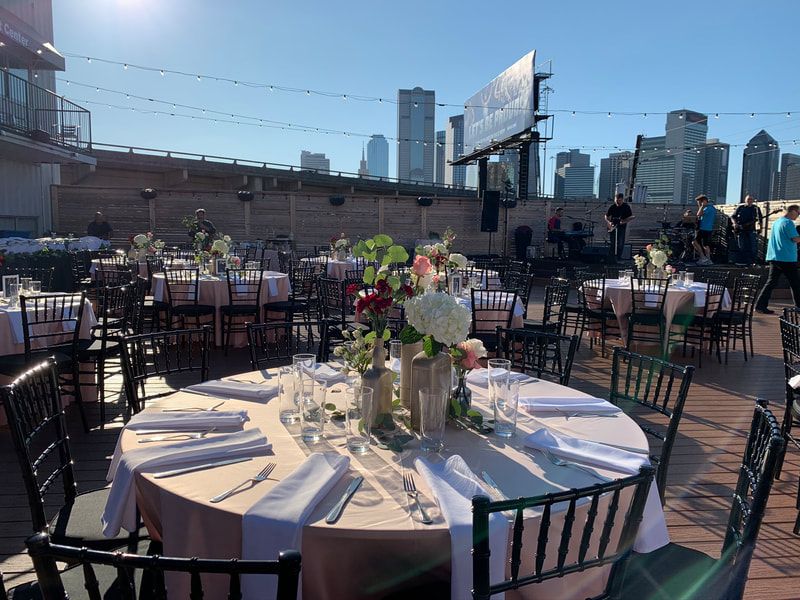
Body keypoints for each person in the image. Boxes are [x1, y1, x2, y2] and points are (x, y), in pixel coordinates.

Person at [754, 205, 800, 314]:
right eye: (798, 213)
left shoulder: (777, 222)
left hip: (775, 256)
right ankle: (799, 306)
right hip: (787, 258)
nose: (798, 216)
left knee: (771, 283)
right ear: (792, 211)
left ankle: (760, 305)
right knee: (795, 283)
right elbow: (796, 239)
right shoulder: (788, 223)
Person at [731, 195, 763, 265]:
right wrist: (735, 223)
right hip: (741, 230)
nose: (750, 201)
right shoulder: (740, 207)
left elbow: (760, 219)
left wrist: (760, 228)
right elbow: (733, 216)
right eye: (748, 199)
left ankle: (753, 261)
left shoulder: (756, 208)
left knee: (753, 246)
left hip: (751, 230)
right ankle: (743, 261)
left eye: (751, 199)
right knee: (741, 246)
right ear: (745, 200)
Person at [605, 193, 634, 259]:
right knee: (613, 243)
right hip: (613, 226)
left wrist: (623, 221)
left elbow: (630, 217)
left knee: (620, 243)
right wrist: (609, 222)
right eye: (617, 200)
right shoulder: (613, 206)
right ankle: (612, 258)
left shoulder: (626, 207)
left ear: (622, 199)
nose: (618, 202)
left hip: (621, 227)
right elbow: (606, 216)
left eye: (619, 200)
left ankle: (618, 257)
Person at [692, 195, 717, 266]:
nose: (698, 204)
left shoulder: (707, 208)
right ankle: (708, 260)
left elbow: (698, 214)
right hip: (708, 229)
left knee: (694, 242)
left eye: (699, 202)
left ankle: (703, 257)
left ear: (704, 201)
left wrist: (702, 206)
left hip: (703, 228)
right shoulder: (712, 208)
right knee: (706, 245)